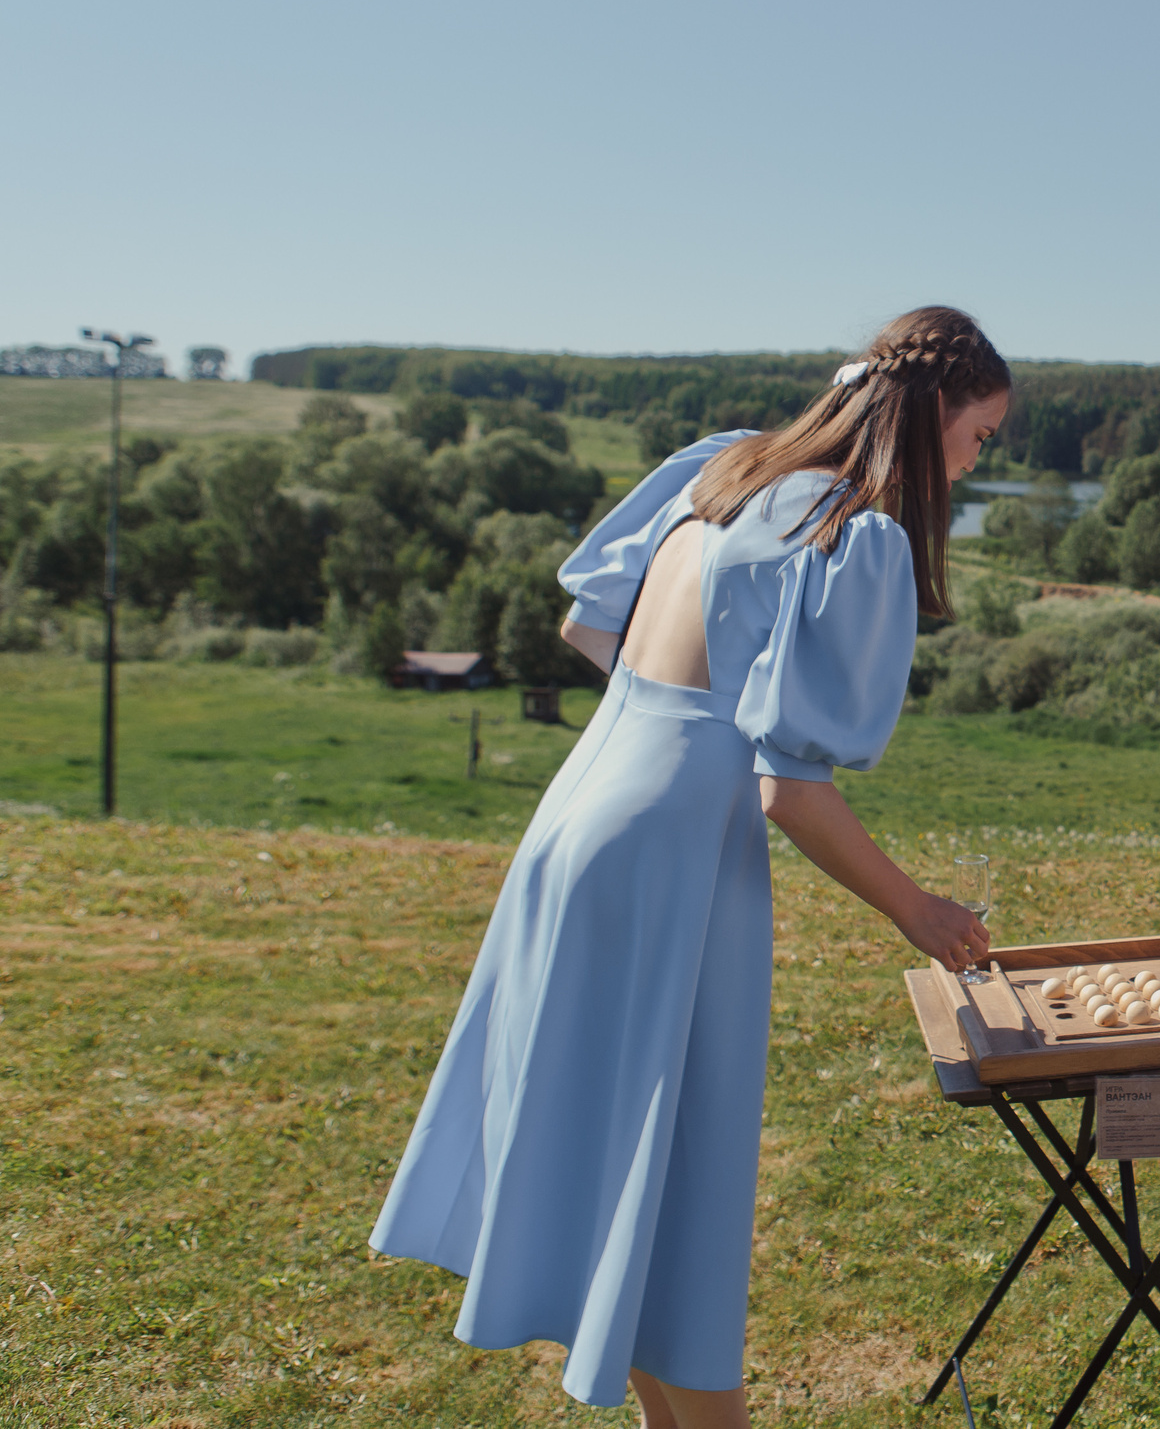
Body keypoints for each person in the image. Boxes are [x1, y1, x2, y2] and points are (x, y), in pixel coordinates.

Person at [369, 308, 1009, 1429]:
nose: (973, 462)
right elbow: (788, 784)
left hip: (581, 809)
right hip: (676, 854)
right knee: (681, 1185)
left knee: (631, 1165)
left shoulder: (720, 469)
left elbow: (592, 630)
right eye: (979, 435)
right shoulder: (847, 534)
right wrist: (918, 908)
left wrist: (683, 719)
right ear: (930, 414)